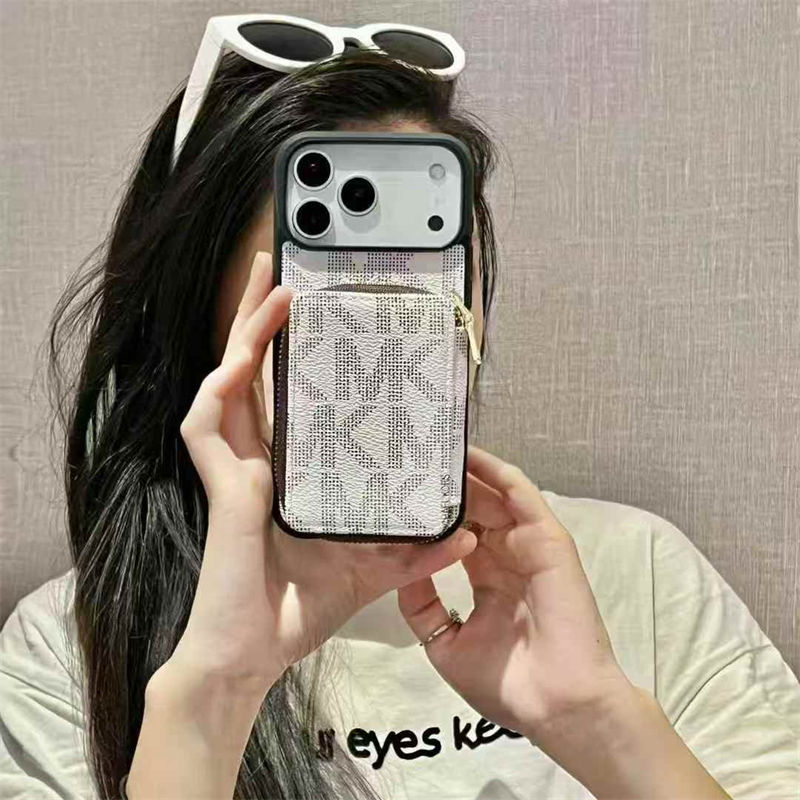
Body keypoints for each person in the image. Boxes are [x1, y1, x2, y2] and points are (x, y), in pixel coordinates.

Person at [1, 26, 798, 800]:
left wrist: (597, 719)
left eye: (425, 273)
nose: (381, 333)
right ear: (204, 317)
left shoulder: (639, 577)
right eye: (335, 283)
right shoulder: (66, 654)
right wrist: (213, 694)